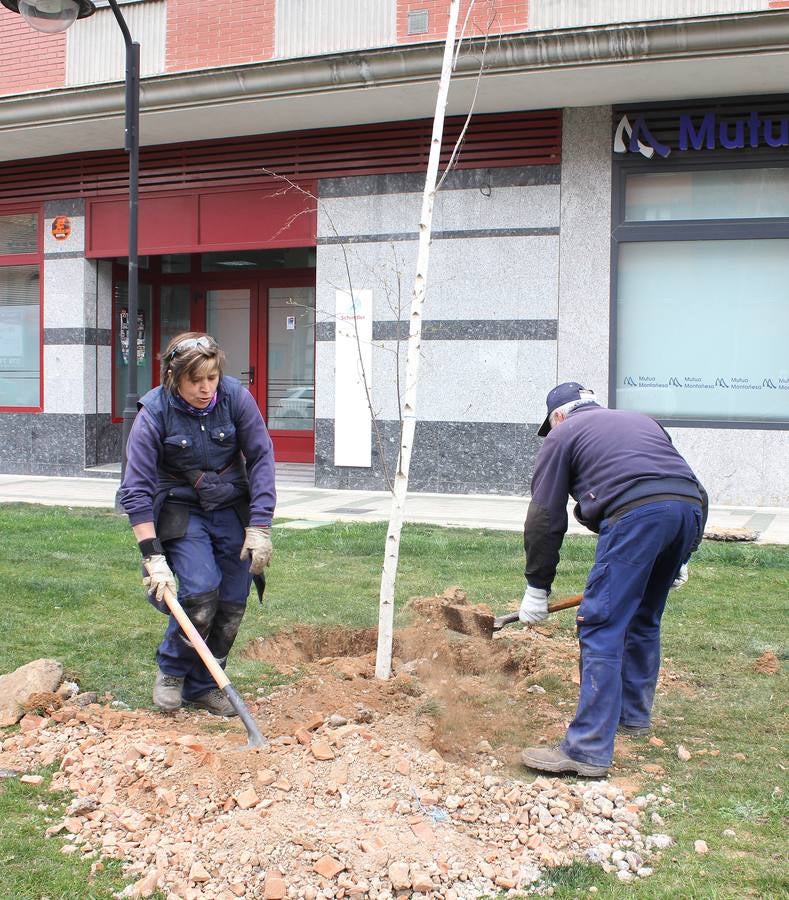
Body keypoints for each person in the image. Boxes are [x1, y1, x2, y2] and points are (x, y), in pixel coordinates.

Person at [519, 382, 707, 777]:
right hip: (688, 511)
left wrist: (537, 587)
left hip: (637, 515)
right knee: (643, 617)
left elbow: (544, 516)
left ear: (557, 416)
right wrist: (681, 554)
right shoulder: (642, 421)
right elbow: (689, 486)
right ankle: (633, 716)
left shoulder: (563, 433)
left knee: (600, 624)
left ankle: (586, 749)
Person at [120, 332, 276, 716]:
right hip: (181, 509)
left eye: (212, 378)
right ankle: (172, 672)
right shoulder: (154, 413)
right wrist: (152, 556)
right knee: (201, 592)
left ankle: (206, 683)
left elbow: (261, 457)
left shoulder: (236, 398)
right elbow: (136, 489)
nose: (206, 389)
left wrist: (260, 525)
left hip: (229, 506)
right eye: (195, 381)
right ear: (173, 377)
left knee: (233, 601)